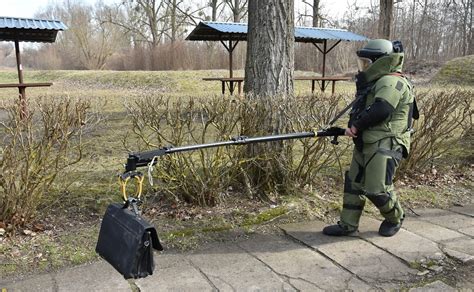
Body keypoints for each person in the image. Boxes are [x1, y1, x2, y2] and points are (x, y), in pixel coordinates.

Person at [323, 39, 417, 237]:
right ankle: (348, 224)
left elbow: (382, 109)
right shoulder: (378, 81)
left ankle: (395, 217)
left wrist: (356, 126)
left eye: (367, 62)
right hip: (367, 141)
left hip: (386, 143)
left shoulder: (392, 81)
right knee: (353, 184)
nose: (364, 67)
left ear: (380, 61)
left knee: (377, 189)